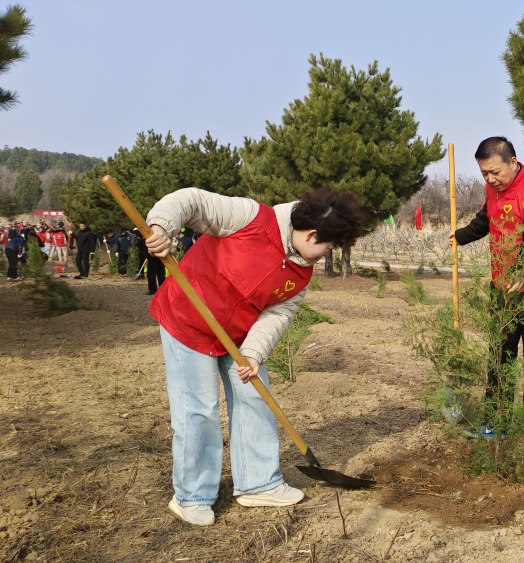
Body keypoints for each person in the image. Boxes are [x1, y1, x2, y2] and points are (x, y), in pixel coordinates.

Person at [143, 186, 366, 526]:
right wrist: (161, 227)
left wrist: (253, 353)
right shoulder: (249, 218)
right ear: (312, 233)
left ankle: (258, 483)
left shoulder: (300, 270)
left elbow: (277, 313)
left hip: (238, 335)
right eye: (327, 247)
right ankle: (192, 495)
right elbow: (191, 201)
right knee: (198, 409)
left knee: (255, 396)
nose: (325, 255)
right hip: (187, 321)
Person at [450, 137, 524, 438]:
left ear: (513, 162)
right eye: (484, 173)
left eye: (495, 172)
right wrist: (460, 236)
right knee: (500, 354)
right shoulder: (492, 188)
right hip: (503, 286)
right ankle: (494, 420)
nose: (490, 179)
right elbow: (485, 219)